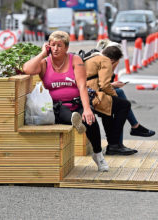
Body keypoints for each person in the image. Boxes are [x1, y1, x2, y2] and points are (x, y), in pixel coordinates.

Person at [22, 31, 109, 172]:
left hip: (77, 102)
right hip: (57, 106)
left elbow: (82, 86)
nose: (56, 48)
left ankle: (98, 155)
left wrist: (87, 109)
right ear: (48, 46)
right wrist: (43, 54)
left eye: (59, 45)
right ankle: (76, 121)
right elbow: (27, 69)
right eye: (53, 45)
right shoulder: (44, 63)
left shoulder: (75, 60)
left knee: (90, 119)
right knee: (66, 114)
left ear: (66, 48)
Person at [87, 40, 155, 155]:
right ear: (113, 60)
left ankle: (115, 144)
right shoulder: (105, 61)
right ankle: (117, 143)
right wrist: (114, 95)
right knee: (124, 104)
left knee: (112, 107)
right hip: (90, 95)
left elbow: (97, 82)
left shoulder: (93, 56)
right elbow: (103, 85)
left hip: (88, 92)